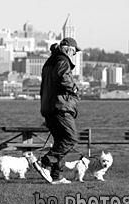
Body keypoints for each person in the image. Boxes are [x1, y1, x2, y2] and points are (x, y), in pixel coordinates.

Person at [33, 37, 83, 184]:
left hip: (49, 107)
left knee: (60, 141)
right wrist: (74, 89)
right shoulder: (62, 60)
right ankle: (46, 162)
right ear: (67, 49)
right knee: (70, 138)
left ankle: (56, 176)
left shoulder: (49, 61)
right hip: (60, 106)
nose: (74, 55)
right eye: (74, 52)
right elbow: (63, 78)